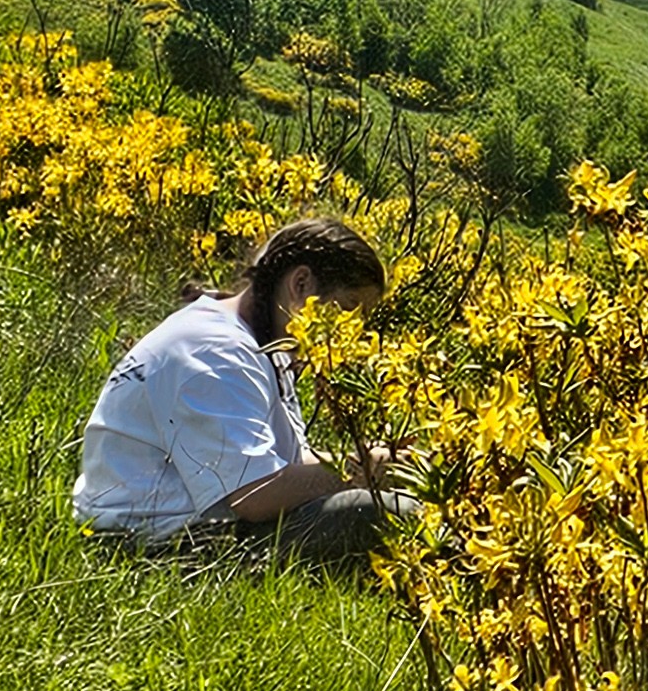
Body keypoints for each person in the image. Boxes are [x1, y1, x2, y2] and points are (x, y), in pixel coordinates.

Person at [73, 216, 415, 571]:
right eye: (348, 310)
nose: (352, 331)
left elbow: (287, 462)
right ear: (300, 283)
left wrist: (375, 460)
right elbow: (255, 494)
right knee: (386, 514)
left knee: (394, 501)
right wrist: (359, 471)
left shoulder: (262, 346)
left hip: (189, 529)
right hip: (155, 545)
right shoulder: (215, 350)